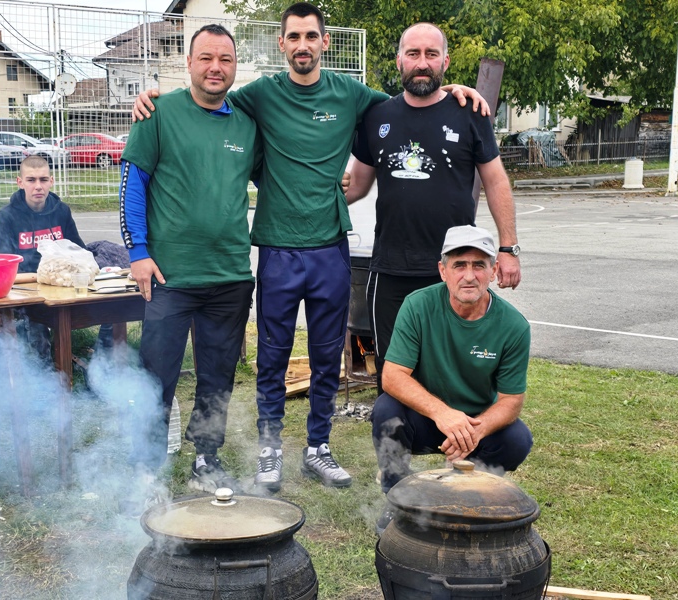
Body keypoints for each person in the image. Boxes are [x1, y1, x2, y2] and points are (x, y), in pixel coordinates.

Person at [133, 3, 489, 493]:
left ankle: (317, 448)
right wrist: (154, 98)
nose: (302, 45)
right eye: (293, 37)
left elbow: (410, 98)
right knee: (273, 356)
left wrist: (451, 91)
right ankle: (269, 451)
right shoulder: (257, 95)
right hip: (277, 249)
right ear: (281, 45)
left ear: (325, 43)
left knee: (327, 356)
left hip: (329, 249)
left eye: (311, 37)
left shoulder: (350, 94)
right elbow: (207, 98)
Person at [121, 24, 261, 494]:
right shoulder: (157, 112)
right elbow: (132, 184)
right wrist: (137, 252)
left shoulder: (246, 122)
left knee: (218, 376)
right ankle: (145, 467)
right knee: (155, 374)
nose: (216, 67)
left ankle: (206, 458)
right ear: (189, 63)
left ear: (234, 65)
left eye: (225, 58)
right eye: (206, 58)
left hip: (230, 275)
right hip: (170, 276)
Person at [345, 23, 520, 395]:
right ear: (398, 61)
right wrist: (306, 197)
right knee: (392, 376)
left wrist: (507, 249)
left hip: (455, 270)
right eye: (413, 54)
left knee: (453, 376)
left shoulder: (470, 112)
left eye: (430, 54)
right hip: (390, 270)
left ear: (445, 60)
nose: (421, 63)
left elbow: (496, 182)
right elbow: (357, 185)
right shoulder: (376, 116)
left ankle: (458, 447)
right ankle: (395, 452)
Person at [372, 225, 532, 530]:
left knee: (517, 439)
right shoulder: (418, 305)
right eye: (459, 265)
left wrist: (474, 431)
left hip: (475, 425)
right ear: (443, 271)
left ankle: (468, 499)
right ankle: (396, 499)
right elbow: (392, 376)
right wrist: (443, 414)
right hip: (426, 418)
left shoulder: (513, 326)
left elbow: (512, 402)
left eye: (478, 266)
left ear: (493, 270)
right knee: (386, 411)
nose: (468, 276)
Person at [0, 155, 90, 362]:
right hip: (27, 290)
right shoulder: (7, 216)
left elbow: (78, 251)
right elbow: (5, 265)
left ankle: (102, 364)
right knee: (36, 321)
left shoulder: (62, 211)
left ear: (51, 181)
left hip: (61, 284)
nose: (38, 186)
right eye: (31, 180)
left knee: (108, 305)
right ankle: (46, 374)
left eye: (43, 180)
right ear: (20, 182)